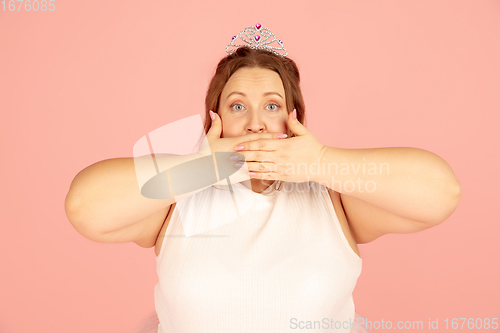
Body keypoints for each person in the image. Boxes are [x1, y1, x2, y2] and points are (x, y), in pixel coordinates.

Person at [65, 24, 461, 333]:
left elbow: (441, 192)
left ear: (294, 118)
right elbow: (85, 207)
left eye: (272, 105)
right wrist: (200, 165)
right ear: (214, 118)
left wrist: (319, 161)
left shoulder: (335, 198)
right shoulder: (175, 199)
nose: (255, 124)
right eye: (237, 106)